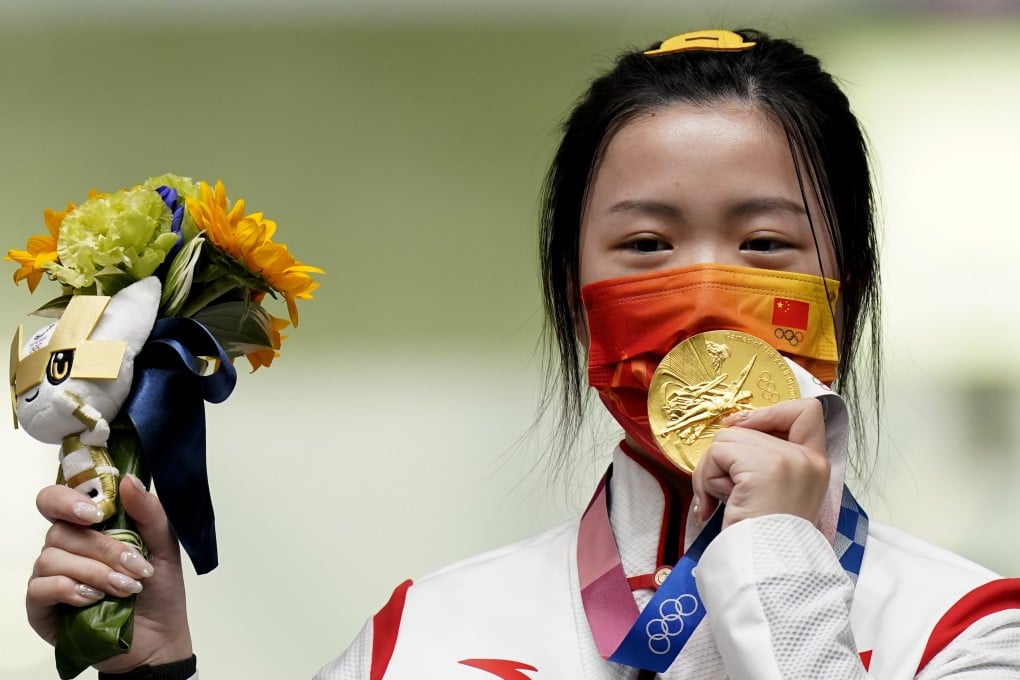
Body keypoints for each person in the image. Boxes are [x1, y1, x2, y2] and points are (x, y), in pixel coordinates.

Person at [25, 28, 1020, 679]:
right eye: (645, 247)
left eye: (764, 243)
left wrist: (776, 563)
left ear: (849, 289)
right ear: (575, 301)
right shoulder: (431, 635)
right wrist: (147, 668)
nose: (705, 294)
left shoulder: (965, 627)